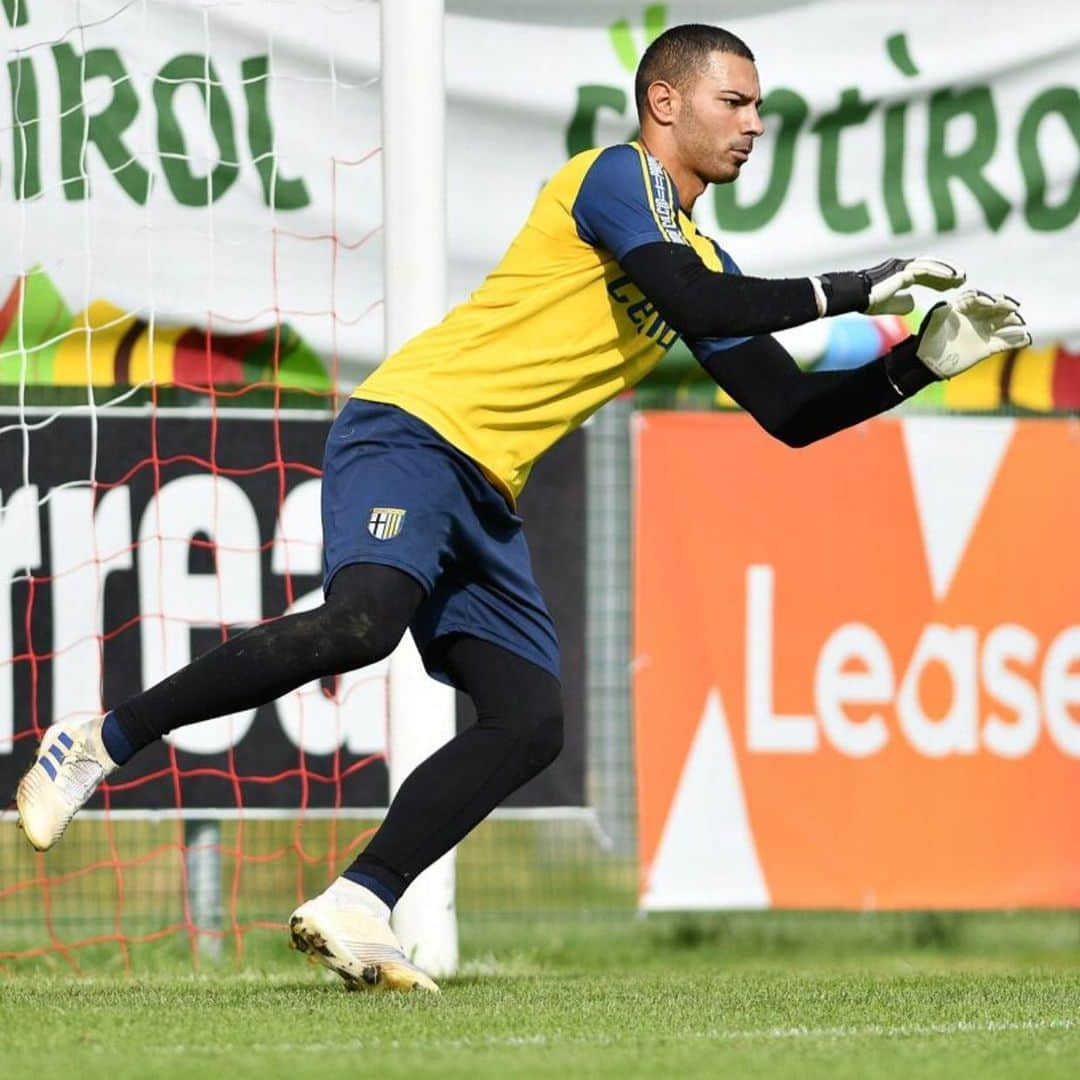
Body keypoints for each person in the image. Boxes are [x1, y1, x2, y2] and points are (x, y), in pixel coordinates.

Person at [14, 24, 1029, 992]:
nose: (754, 123)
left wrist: (921, 363)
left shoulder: (700, 264)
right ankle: (102, 740)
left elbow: (790, 412)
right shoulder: (615, 178)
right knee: (365, 622)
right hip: (414, 426)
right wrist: (860, 285)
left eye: (760, 106)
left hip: (488, 486)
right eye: (736, 101)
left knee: (528, 720)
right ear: (663, 101)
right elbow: (714, 304)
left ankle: (362, 901)